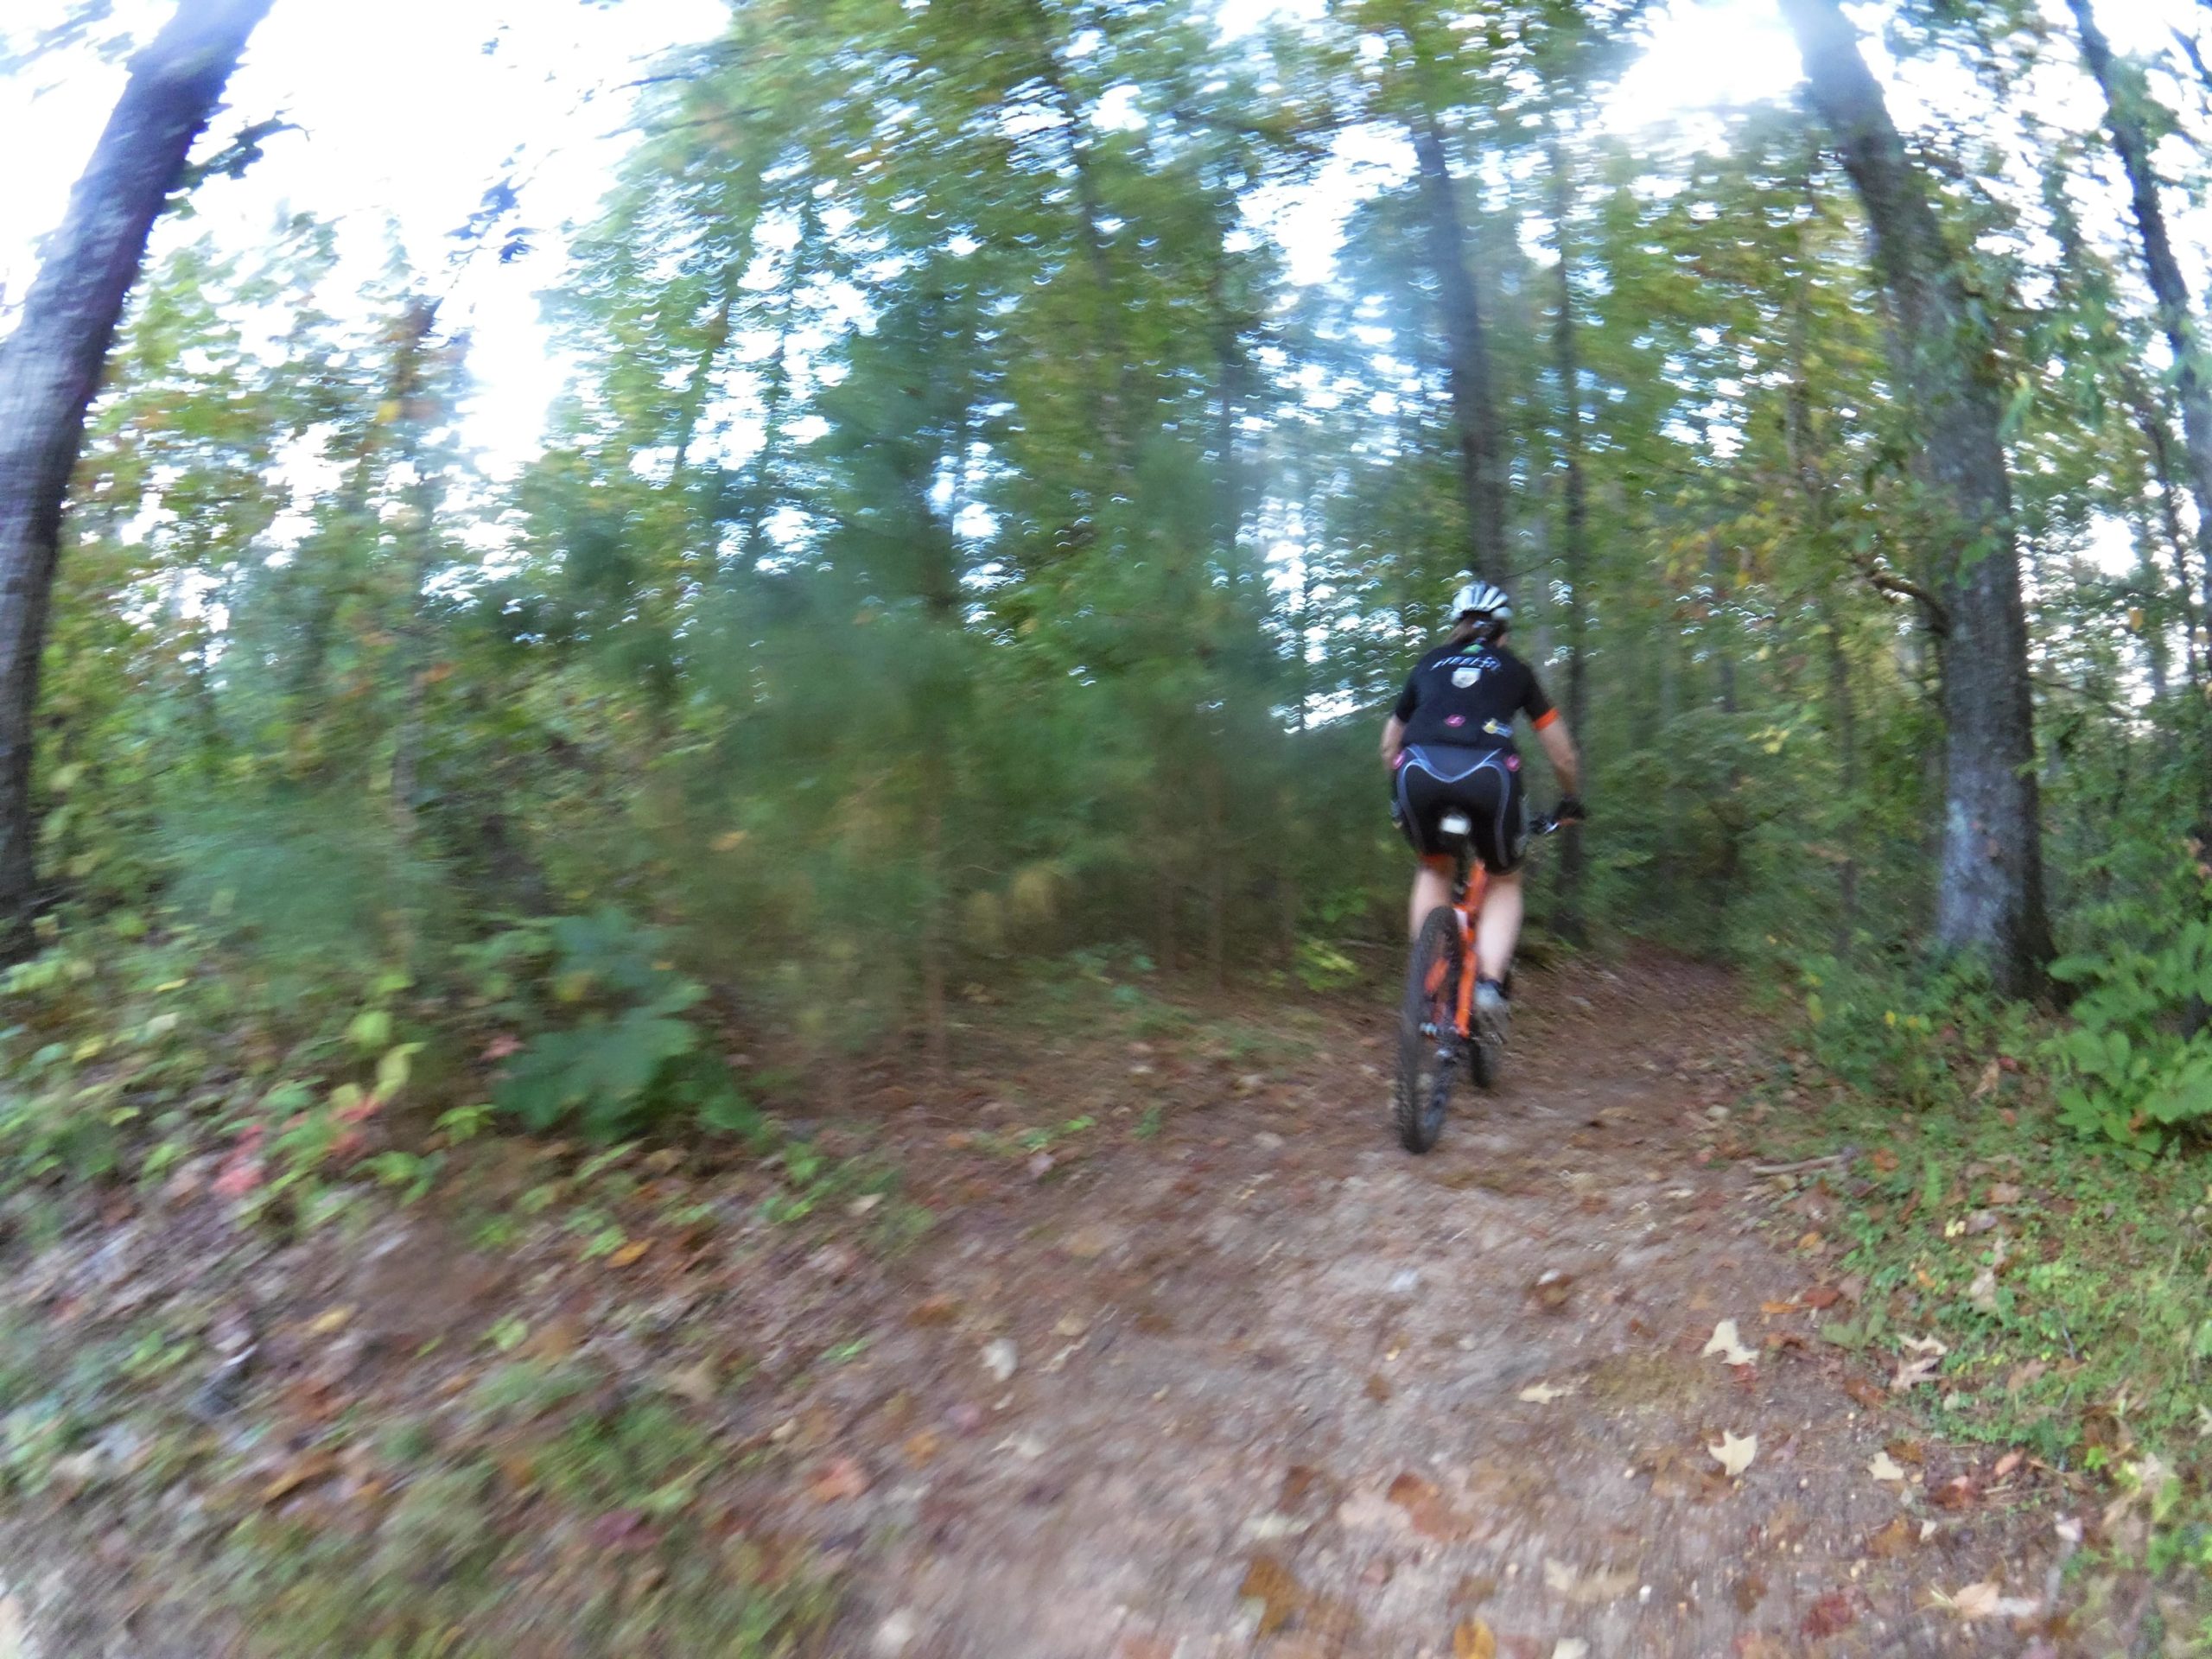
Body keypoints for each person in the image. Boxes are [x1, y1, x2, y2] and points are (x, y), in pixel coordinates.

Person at [1380, 580, 1583, 1034]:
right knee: (1506, 879)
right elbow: (1562, 755)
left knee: (1434, 869)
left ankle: (1425, 991)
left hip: (1417, 772)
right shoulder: (1515, 669)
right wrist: (1569, 798)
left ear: (1459, 625)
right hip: (1489, 776)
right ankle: (1489, 985)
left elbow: (1388, 743)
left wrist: (1400, 797)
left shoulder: (1428, 663)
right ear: (1503, 631)